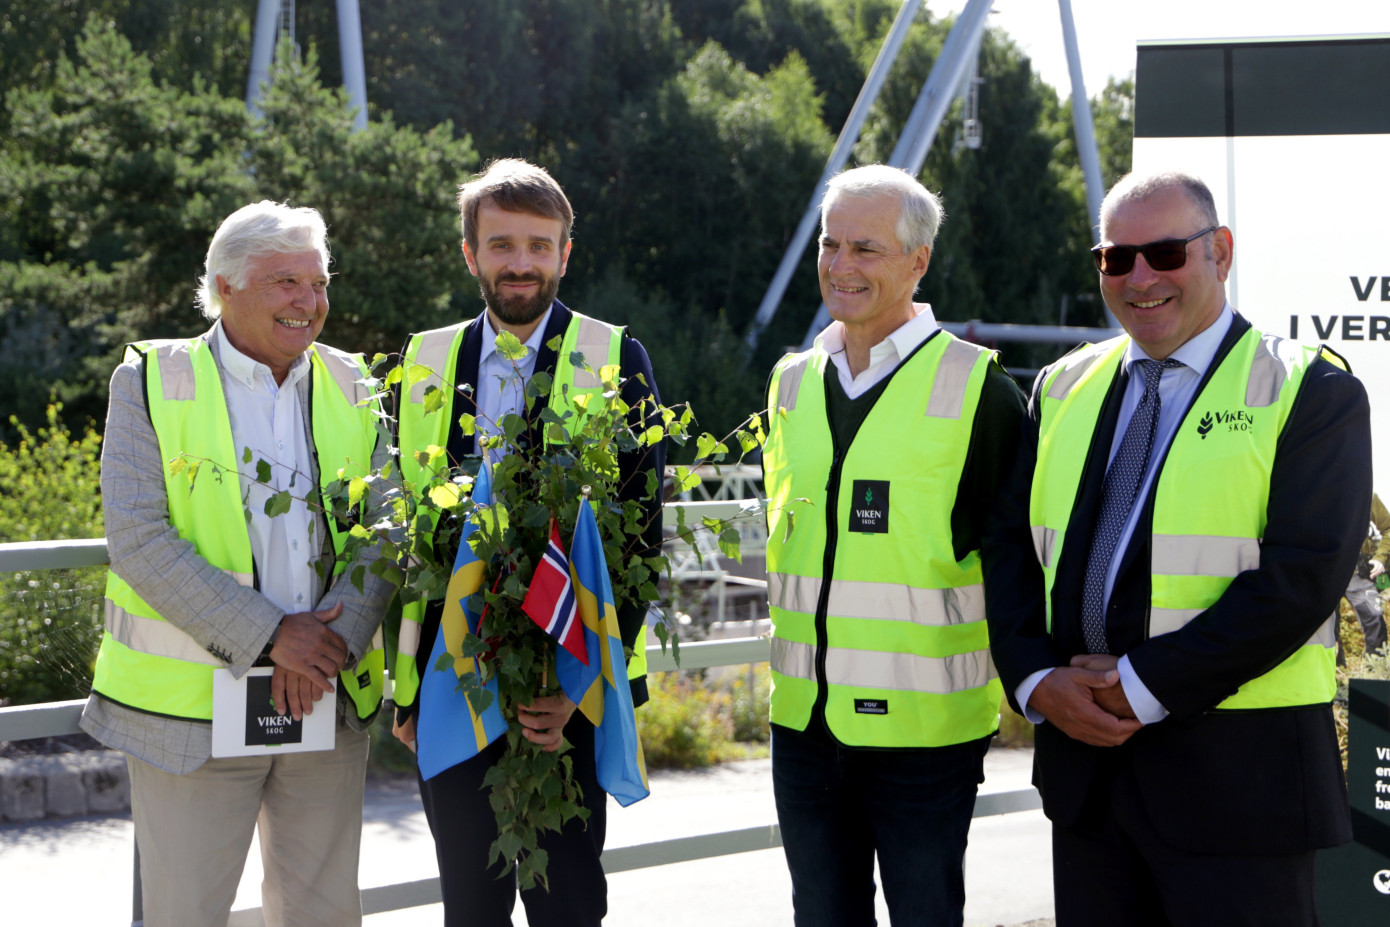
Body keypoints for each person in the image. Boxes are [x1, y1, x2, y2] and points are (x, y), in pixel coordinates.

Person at [982, 171, 1369, 926]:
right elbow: (1009, 546)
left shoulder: (1308, 389)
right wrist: (1033, 679)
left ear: (1220, 252)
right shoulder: (1062, 387)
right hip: (1089, 785)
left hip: (1241, 793)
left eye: (1164, 252)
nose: (1141, 277)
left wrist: (1140, 681)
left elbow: (1302, 579)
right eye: (1115, 258)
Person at [82, 201, 393, 927]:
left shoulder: (356, 384)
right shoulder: (150, 381)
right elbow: (139, 538)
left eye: (318, 283)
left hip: (323, 700)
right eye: (286, 281)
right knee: (181, 914)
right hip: (188, 718)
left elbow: (385, 531)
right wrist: (272, 635)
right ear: (225, 285)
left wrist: (328, 643)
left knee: (323, 915)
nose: (309, 302)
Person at [390, 158, 665, 927]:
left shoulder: (618, 358)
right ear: (470, 252)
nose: (521, 262)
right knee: (469, 907)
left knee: (567, 903)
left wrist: (575, 688)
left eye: (539, 246)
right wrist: (407, 687)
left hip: (568, 687)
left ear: (565, 254)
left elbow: (642, 536)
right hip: (451, 678)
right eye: (502, 243)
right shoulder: (421, 362)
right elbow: (401, 530)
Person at [761, 164, 1026, 926]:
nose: (841, 266)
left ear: (919, 260)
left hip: (923, 738)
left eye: (866, 249)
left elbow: (1015, 564)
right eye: (830, 244)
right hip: (804, 726)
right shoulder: (788, 383)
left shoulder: (981, 390)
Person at [1341, 493, 1390, 660]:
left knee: (1374, 619)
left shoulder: (1367, 496)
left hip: (1357, 573)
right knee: (1325, 631)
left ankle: (1374, 675)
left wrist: (1380, 558)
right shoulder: (1316, 493)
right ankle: (1335, 678)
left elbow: (1388, 528)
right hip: (1324, 572)